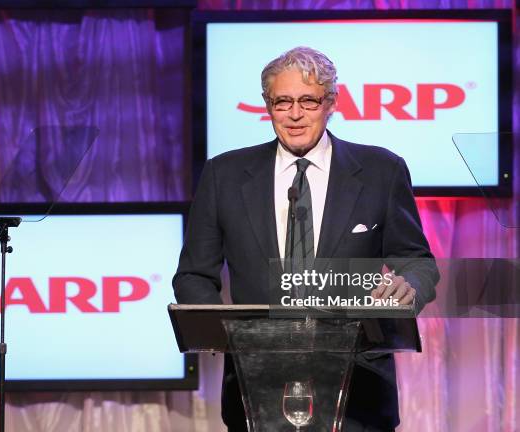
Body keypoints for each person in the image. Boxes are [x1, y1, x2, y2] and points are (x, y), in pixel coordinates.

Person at [173, 47, 439, 431]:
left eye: (308, 101)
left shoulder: (382, 170)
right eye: (282, 102)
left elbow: (417, 260)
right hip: (257, 386)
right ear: (267, 105)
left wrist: (408, 287)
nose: (295, 114)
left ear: (330, 102)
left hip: (357, 391)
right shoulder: (223, 175)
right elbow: (194, 275)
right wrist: (224, 334)